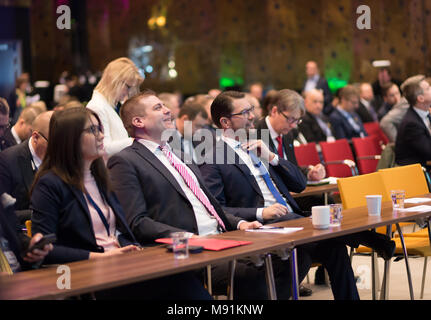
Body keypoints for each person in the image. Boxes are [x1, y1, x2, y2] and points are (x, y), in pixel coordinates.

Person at [108, 90, 306, 300]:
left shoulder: (179, 155)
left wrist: (239, 224)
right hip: (188, 247)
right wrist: (185, 237)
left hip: (223, 237)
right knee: (251, 275)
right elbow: (137, 221)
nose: (168, 110)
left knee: (294, 253)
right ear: (138, 121)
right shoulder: (126, 161)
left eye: (164, 106)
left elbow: (210, 206)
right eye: (158, 108)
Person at [30, 107, 210, 299]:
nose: (101, 136)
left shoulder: (101, 177)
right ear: (70, 139)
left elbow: (120, 231)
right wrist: (100, 257)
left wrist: (130, 247)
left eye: (100, 129)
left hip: (120, 265)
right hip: (85, 274)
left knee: (181, 276)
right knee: (178, 283)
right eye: (92, 130)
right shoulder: (50, 184)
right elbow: (46, 251)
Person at [199, 90, 362, 300]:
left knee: (334, 246)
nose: (252, 116)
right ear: (226, 122)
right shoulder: (213, 157)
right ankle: (367, 236)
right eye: (245, 112)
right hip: (263, 226)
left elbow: (300, 184)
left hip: (291, 220)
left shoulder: (259, 145)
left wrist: (273, 157)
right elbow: (216, 208)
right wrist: (260, 212)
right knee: (311, 241)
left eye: (251, 110)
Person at [0, 111, 53, 225]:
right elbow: (4, 214)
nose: (59, 149)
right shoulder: (7, 161)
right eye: (53, 143)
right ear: (35, 137)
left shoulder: (60, 161)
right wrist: (39, 213)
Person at [86, 57, 144, 156]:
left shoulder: (113, 105)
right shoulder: (97, 107)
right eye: (128, 87)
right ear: (115, 81)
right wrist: (136, 140)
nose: (128, 92)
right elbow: (104, 148)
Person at [395, 75, 431, 172]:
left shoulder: (426, 114)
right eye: (428, 88)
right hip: (413, 174)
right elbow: (429, 152)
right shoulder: (411, 124)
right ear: (421, 98)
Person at [380, 76, 426, 143]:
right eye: (392, 95)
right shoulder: (405, 103)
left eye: (397, 93)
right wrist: (399, 144)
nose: (396, 98)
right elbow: (384, 123)